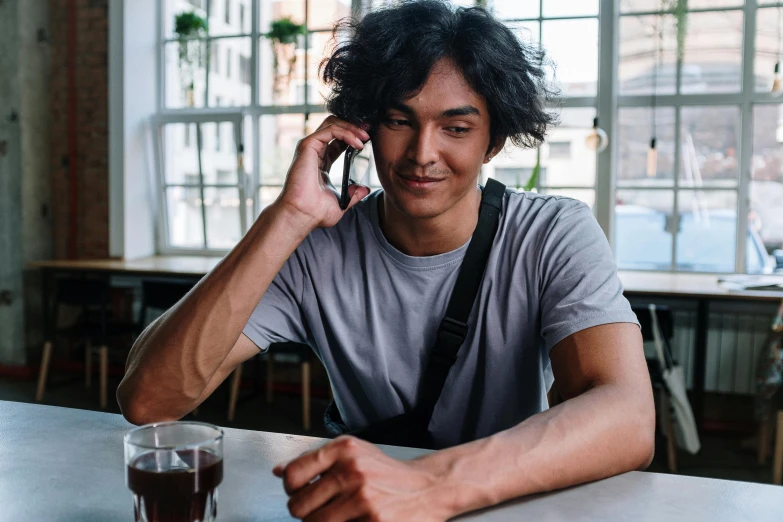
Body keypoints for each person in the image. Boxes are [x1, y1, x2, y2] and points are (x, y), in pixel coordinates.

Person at [118, 1, 655, 520]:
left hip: (508, 501)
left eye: (457, 128)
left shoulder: (552, 233)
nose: (422, 153)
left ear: (493, 141)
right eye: (399, 121)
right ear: (363, 129)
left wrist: (429, 486)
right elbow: (150, 401)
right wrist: (286, 216)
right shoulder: (315, 249)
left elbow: (627, 418)